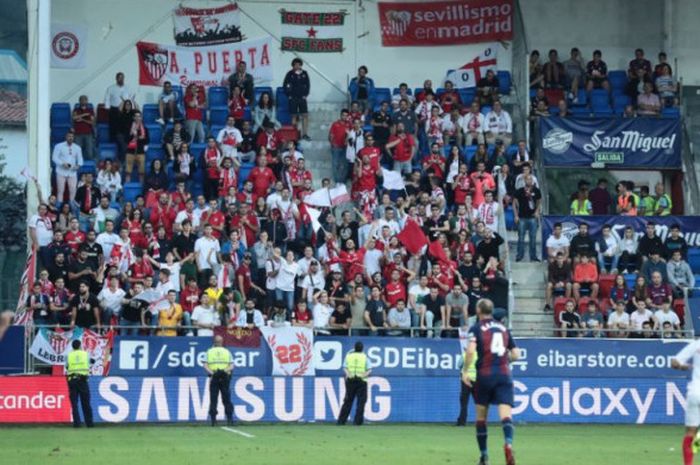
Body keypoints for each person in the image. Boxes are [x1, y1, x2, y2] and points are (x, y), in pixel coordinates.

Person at [466, 298, 519, 465]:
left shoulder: (476, 328)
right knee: (506, 415)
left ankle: (484, 456)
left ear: (478, 310)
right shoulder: (504, 328)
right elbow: (517, 354)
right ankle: (508, 444)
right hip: (504, 374)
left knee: (481, 417)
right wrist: (505, 359)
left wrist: (467, 370)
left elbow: (470, 352)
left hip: (485, 375)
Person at [671, 338, 700, 465]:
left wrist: (683, 367)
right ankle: (696, 448)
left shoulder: (697, 344)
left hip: (695, 391)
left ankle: (689, 462)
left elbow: (674, 362)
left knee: (690, 432)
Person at [337, 341, 371, 426]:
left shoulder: (349, 356)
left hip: (350, 381)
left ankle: (341, 421)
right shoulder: (365, 357)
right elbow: (369, 369)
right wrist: (363, 375)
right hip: (361, 381)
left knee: (348, 401)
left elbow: (344, 367)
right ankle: (357, 422)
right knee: (361, 402)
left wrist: (348, 374)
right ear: (362, 348)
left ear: (354, 348)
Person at [204, 335, 234, 426]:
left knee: (213, 399)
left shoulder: (209, 352)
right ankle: (229, 419)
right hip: (225, 376)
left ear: (214, 342)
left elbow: (205, 365)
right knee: (226, 398)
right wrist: (224, 371)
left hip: (214, 376)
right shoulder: (226, 352)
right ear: (222, 342)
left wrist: (213, 374)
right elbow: (232, 366)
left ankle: (213, 420)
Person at [65, 339, 94, 428]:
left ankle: (76, 424)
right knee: (86, 403)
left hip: (72, 381)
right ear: (80, 346)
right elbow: (92, 361)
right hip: (83, 380)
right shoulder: (85, 354)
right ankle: (89, 423)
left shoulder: (69, 355)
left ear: (72, 347)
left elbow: (67, 366)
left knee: (74, 403)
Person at [52, 129, 83, 205]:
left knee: (73, 190)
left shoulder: (77, 148)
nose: (70, 138)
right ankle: (59, 207)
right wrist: (62, 164)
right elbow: (54, 157)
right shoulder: (58, 146)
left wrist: (78, 165)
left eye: (72, 136)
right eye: (69, 136)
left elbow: (80, 159)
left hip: (72, 172)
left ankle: (72, 206)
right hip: (61, 171)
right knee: (60, 190)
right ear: (66, 137)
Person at [283, 58, 311, 140]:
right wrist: (289, 95)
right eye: (295, 64)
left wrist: (305, 94)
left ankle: (305, 133)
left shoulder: (304, 73)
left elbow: (308, 85)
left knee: (305, 115)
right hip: (293, 98)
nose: (297, 66)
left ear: (301, 65)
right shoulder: (289, 74)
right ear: (293, 65)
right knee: (294, 116)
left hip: (302, 98)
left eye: (299, 64)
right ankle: (295, 134)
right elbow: (285, 85)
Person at [456, 346, 477, 426]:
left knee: (464, 403)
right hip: (476, 380)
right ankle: (481, 422)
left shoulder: (465, 355)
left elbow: (459, 365)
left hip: (465, 380)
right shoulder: (479, 355)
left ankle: (462, 422)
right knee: (479, 403)